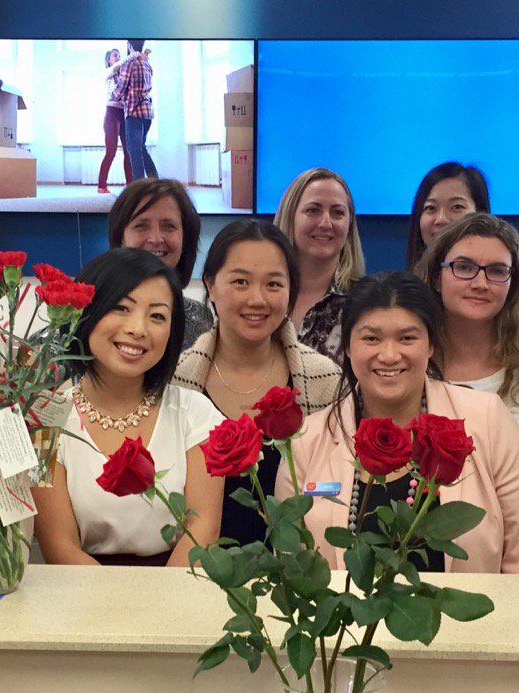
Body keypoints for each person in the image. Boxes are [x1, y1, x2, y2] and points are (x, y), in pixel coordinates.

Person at [276, 271, 519, 574]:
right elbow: (291, 567)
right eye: (371, 338)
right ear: (348, 348)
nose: (389, 355)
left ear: (430, 345)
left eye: (407, 338)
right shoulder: (306, 440)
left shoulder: (486, 419)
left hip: (471, 621)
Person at [33, 248, 224, 566]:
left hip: (180, 588)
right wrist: (117, 612)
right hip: (82, 592)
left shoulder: (196, 414)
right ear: (85, 313)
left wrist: (159, 610)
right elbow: (58, 546)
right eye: (121, 307)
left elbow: (203, 529)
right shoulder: (43, 423)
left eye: (157, 316)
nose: (138, 328)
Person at [174, 220, 341, 545]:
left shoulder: (324, 381)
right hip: (195, 575)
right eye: (240, 282)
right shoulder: (175, 381)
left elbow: (335, 492)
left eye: (274, 284)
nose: (257, 299)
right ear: (210, 285)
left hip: (298, 580)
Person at [412, 212, 519, 498]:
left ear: (512, 284)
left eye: (497, 270)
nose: (480, 283)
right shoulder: (411, 363)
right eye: (463, 267)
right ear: (437, 278)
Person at [273, 167, 365, 363]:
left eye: (337, 213)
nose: (325, 223)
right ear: (290, 217)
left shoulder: (367, 302)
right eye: (313, 210)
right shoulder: (260, 295)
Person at [108, 177, 213, 348]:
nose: (156, 239)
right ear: (121, 237)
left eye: (168, 226)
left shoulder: (199, 320)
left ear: (185, 237)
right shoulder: (88, 312)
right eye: (141, 225)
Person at [405, 162, 490, 269]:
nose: (441, 219)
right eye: (431, 208)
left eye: (457, 207)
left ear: (481, 214)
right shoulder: (401, 284)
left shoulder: (499, 282)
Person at [111, 39, 157, 182]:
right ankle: (155, 181)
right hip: (147, 113)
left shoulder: (128, 63)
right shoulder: (147, 64)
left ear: (129, 45)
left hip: (134, 112)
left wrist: (112, 95)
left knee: (134, 150)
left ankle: (140, 187)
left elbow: (120, 89)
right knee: (141, 148)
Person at [97, 48, 133, 194]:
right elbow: (117, 67)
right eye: (115, 56)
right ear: (109, 60)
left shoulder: (123, 76)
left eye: (119, 56)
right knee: (110, 152)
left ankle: (130, 185)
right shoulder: (108, 73)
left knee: (128, 151)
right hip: (111, 113)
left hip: (123, 113)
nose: (118, 58)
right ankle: (101, 186)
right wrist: (135, 55)